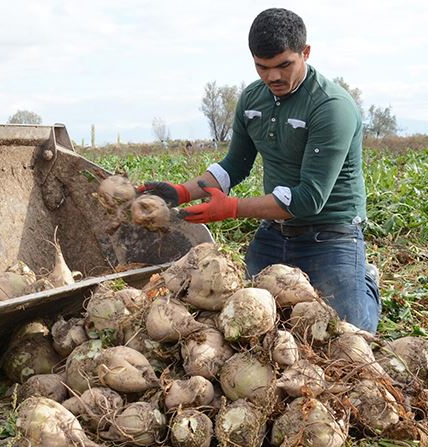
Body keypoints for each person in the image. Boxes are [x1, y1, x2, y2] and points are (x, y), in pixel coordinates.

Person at [140, 8, 380, 333]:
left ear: (305, 52)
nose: (273, 77)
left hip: (331, 233)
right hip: (275, 232)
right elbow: (234, 166)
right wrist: (180, 192)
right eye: (262, 67)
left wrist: (233, 208)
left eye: (284, 65)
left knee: (346, 331)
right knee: (248, 320)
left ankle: (362, 278)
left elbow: (310, 199)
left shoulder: (331, 107)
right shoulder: (253, 98)